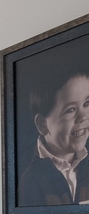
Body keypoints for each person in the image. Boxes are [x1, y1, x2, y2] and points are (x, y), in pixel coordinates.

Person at [18, 65, 89, 206]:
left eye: (87, 103)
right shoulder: (28, 180)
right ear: (42, 124)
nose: (83, 116)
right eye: (70, 110)